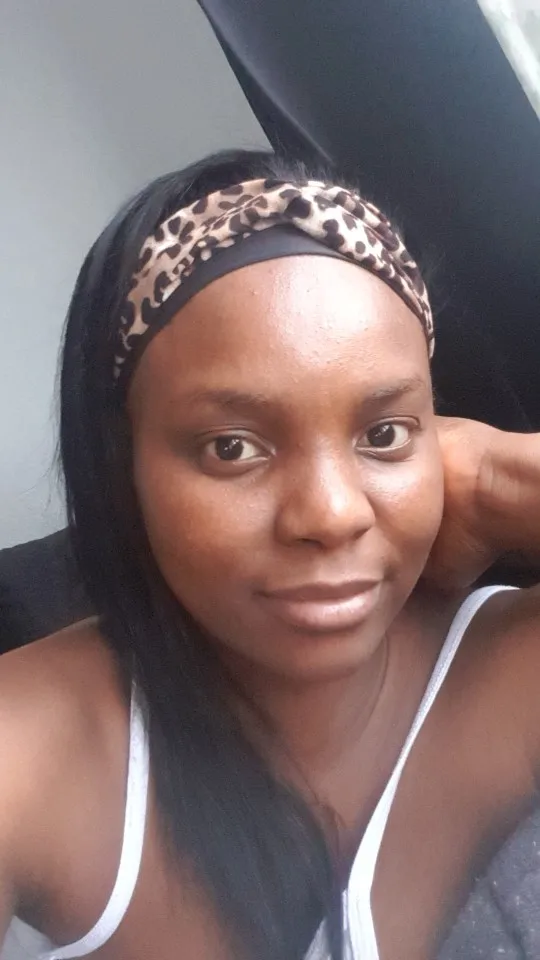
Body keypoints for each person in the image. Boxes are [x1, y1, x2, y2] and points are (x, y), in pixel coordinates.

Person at [1, 149, 540, 960]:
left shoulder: (513, 665)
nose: (331, 514)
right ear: (123, 468)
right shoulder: (30, 747)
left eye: (384, 433)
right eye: (232, 447)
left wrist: (500, 475)